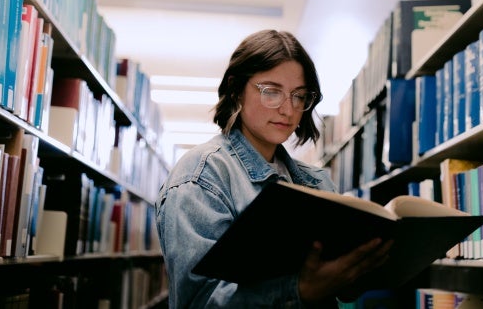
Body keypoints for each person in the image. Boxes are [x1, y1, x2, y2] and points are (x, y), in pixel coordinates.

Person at [155, 29, 392, 308]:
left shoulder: (315, 182)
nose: (288, 110)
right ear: (236, 89)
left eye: (299, 96)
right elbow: (199, 302)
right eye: (271, 92)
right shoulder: (200, 177)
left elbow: (342, 289)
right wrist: (299, 290)